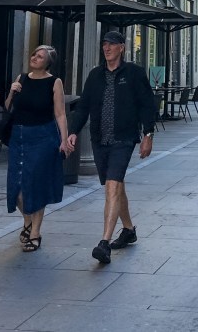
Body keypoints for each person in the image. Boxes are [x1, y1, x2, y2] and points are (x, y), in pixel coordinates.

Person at [67, 29, 159, 266]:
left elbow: (147, 105)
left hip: (124, 138)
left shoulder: (134, 74)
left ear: (122, 48)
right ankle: (128, 229)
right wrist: (73, 132)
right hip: (100, 139)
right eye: (104, 45)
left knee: (111, 186)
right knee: (116, 187)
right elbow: (83, 106)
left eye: (111, 44)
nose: (106, 48)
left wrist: (148, 134)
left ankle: (104, 243)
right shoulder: (95, 75)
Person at [5, 45, 70, 253]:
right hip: (19, 137)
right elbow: (7, 109)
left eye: (40, 56)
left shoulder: (54, 82)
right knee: (17, 188)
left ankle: (35, 233)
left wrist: (64, 139)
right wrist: (11, 92)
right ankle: (28, 222)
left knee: (36, 184)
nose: (34, 57)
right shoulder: (21, 78)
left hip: (43, 137)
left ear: (48, 62)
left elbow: (60, 113)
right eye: (34, 54)